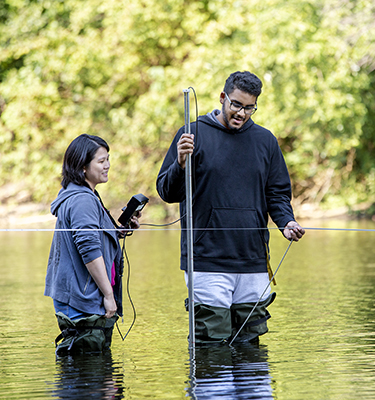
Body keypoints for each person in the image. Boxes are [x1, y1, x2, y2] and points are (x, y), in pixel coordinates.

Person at [157, 71, 305, 345]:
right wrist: (179, 163)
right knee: (212, 347)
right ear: (223, 98)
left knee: (250, 348)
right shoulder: (192, 134)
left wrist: (286, 223)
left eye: (250, 107)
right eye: (236, 105)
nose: (242, 113)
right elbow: (167, 192)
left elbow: (278, 194)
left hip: (253, 260)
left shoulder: (265, 141)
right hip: (206, 261)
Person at [45, 134, 140, 355]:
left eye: (108, 159)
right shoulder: (82, 200)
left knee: (95, 374)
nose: (107, 166)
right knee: (90, 371)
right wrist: (109, 295)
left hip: (83, 298)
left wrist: (118, 232)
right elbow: (88, 249)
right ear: (83, 167)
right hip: (82, 302)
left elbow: (92, 237)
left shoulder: (87, 195)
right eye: (101, 161)